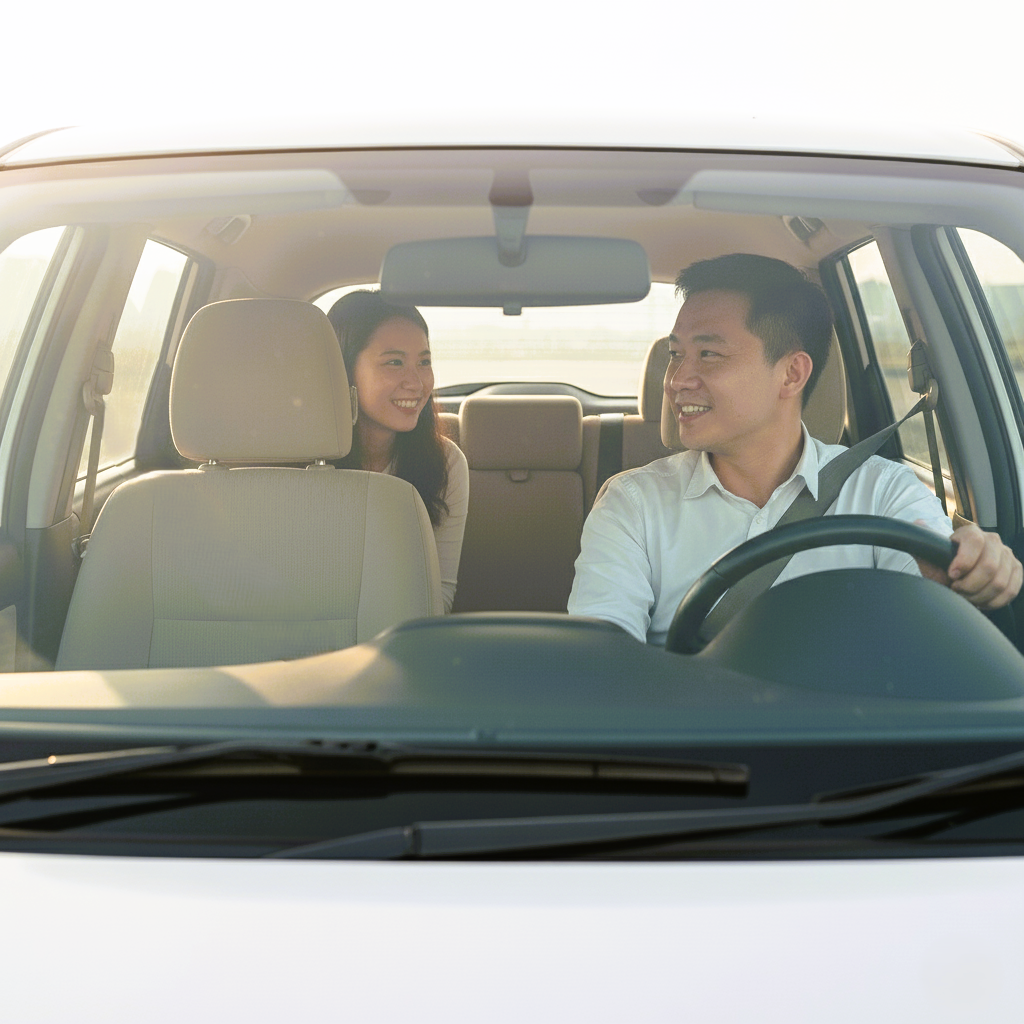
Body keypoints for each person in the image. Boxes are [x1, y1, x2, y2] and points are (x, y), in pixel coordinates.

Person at [568, 254, 1022, 645]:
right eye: (675, 354)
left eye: (708, 355)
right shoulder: (633, 504)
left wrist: (976, 569)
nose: (677, 379)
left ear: (791, 374)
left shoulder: (884, 492)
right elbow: (599, 662)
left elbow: (931, 620)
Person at [327, 290, 468, 613]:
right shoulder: (294, 462)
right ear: (343, 370)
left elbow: (440, 595)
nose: (416, 383)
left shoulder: (446, 463)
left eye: (424, 362)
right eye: (394, 362)